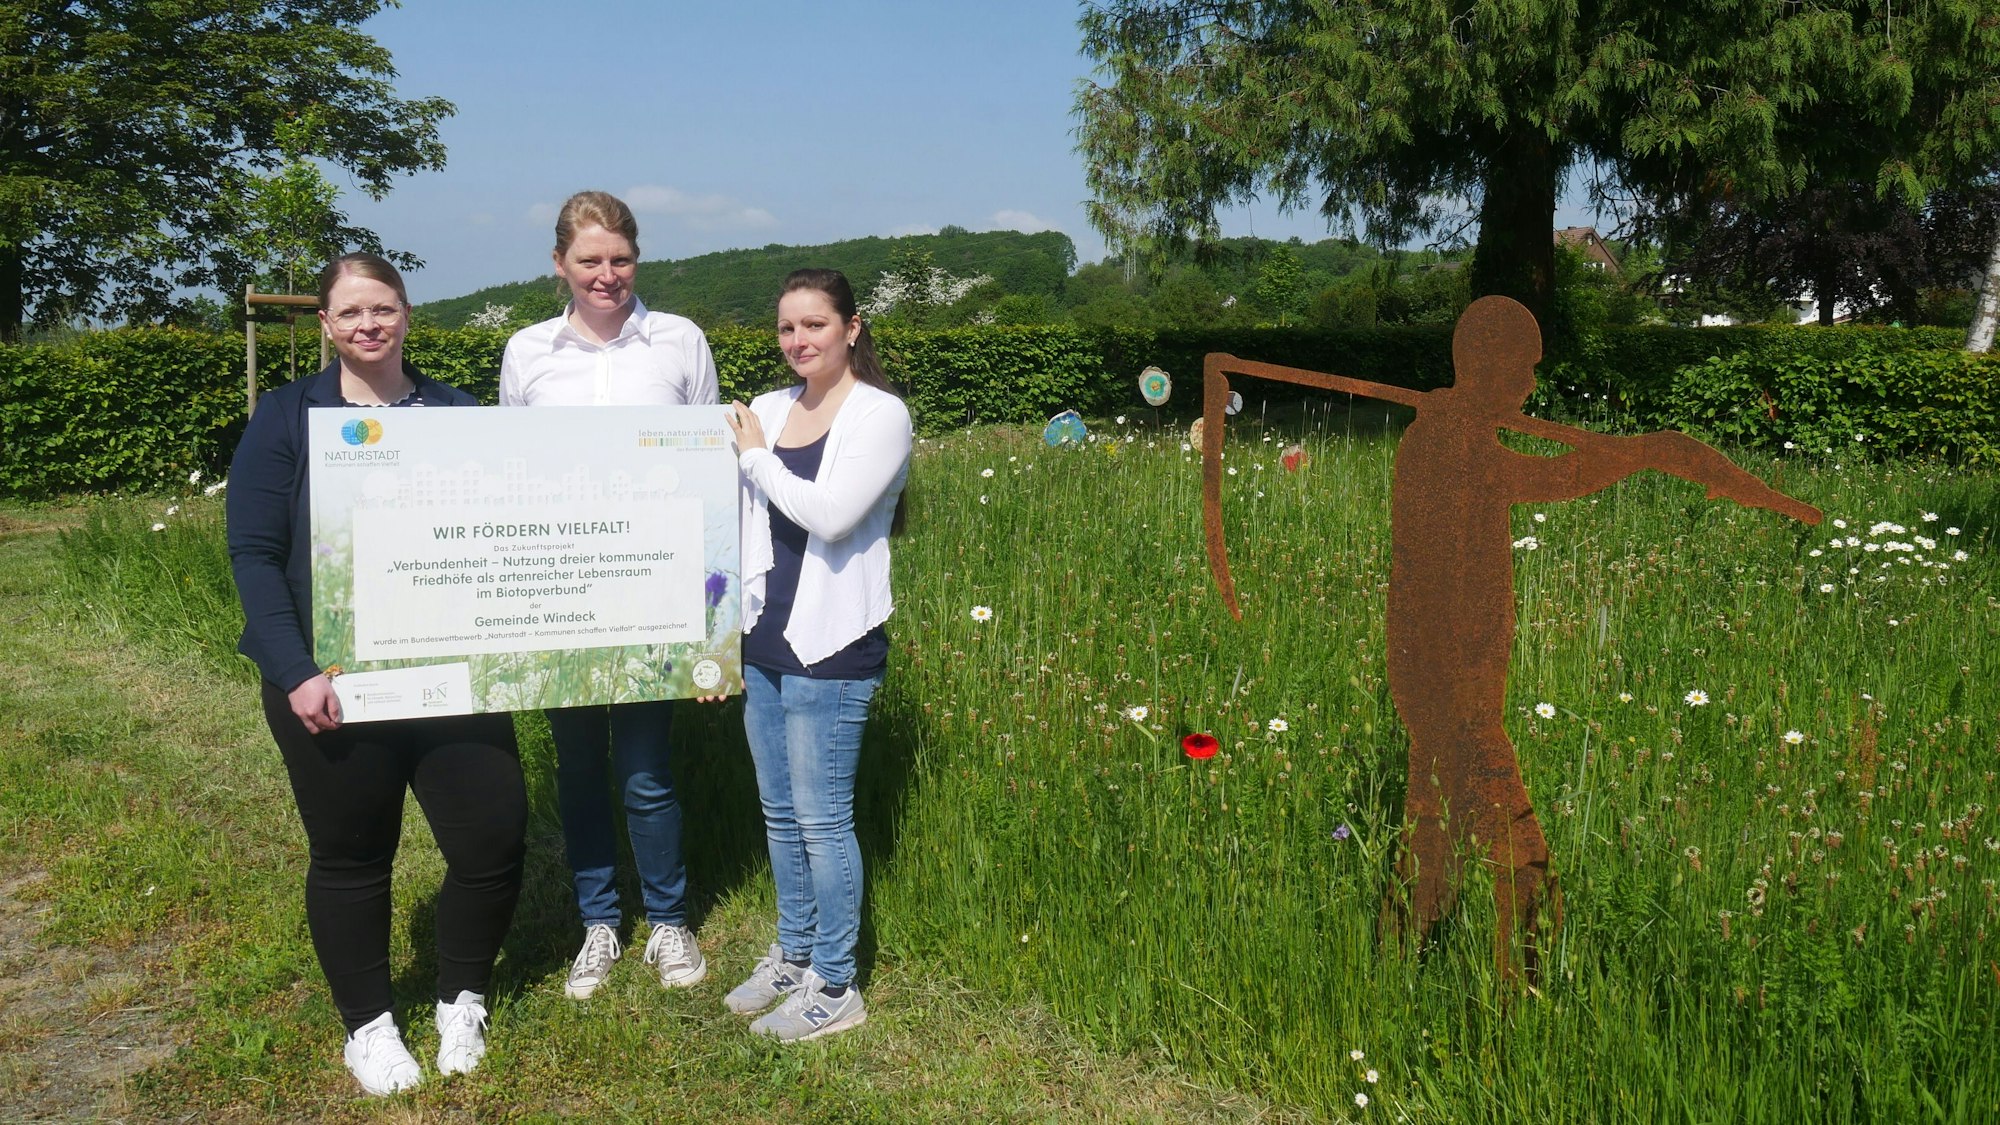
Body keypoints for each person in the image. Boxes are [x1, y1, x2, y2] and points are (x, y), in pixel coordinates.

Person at [227, 253, 529, 1096]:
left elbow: (500, 534)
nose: (369, 324)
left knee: (494, 836)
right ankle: (368, 1024)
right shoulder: (287, 417)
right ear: (325, 323)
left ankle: (461, 991)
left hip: (447, 674)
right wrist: (294, 670)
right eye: (351, 311)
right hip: (327, 680)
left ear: (406, 314)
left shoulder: (455, 412)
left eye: (383, 308)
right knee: (354, 851)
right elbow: (253, 553)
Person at [498, 191, 720, 999]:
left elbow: (710, 473)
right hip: (560, 591)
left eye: (620, 258)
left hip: (653, 591)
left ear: (638, 259)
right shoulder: (526, 352)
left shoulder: (679, 341)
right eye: (589, 260)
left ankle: (667, 919)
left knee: (646, 767)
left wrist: (711, 611)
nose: (606, 274)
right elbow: (511, 479)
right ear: (559, 264)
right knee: (577, 768)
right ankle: (599, 922)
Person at [717, 268, 911, 1041]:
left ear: (852, 327)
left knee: (824, 818)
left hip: (832, 644)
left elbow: (831, 517)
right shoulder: (766, 408)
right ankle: (792, 953)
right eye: (787, 328)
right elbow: (730, 518)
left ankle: (837, 980)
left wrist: (758, 459)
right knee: (778, 810)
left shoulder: (880, 414)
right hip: (765, 634)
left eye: (815, 326)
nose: (799, 341)